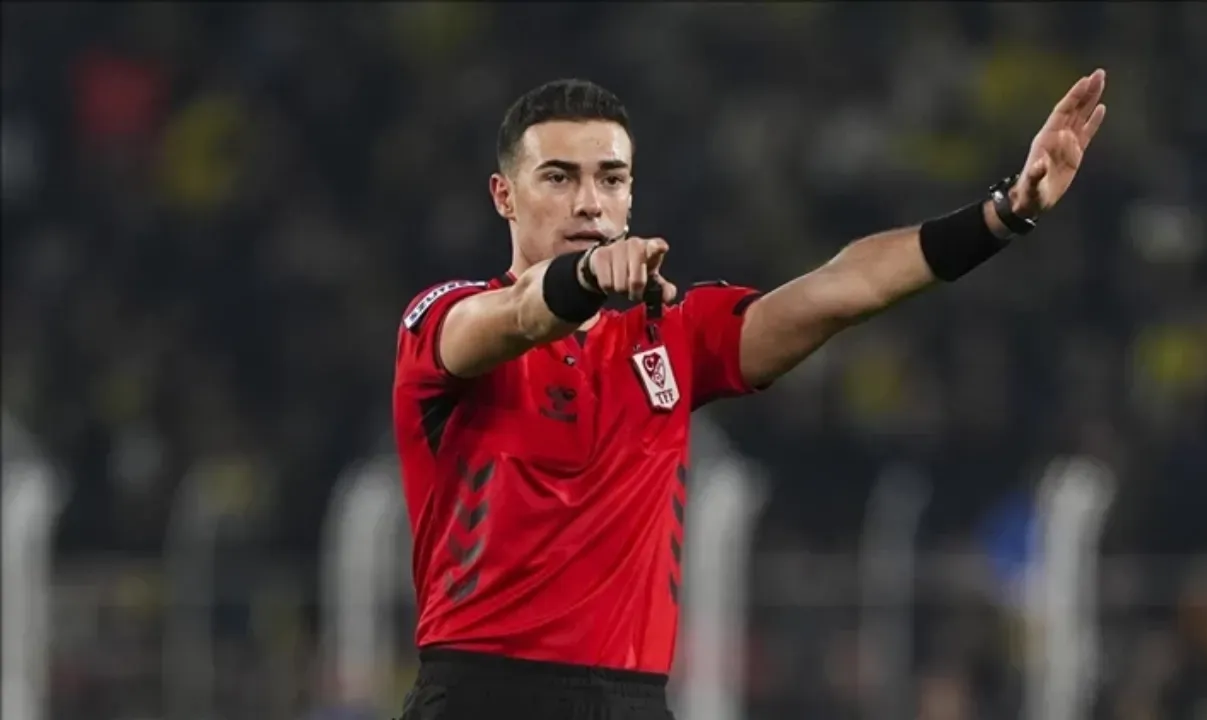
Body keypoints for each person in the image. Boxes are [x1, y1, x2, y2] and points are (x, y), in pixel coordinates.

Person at [392, 73, 1107, 719]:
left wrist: (1004, 212)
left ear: (630, 196)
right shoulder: (443, 318)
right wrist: (581, 280)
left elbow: (843, 287)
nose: (588, 202)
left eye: (610, 179)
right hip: (481, 695)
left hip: (630, 699)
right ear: (504, 195)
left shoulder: (670, 334)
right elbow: (518, 317)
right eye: (558, 177)